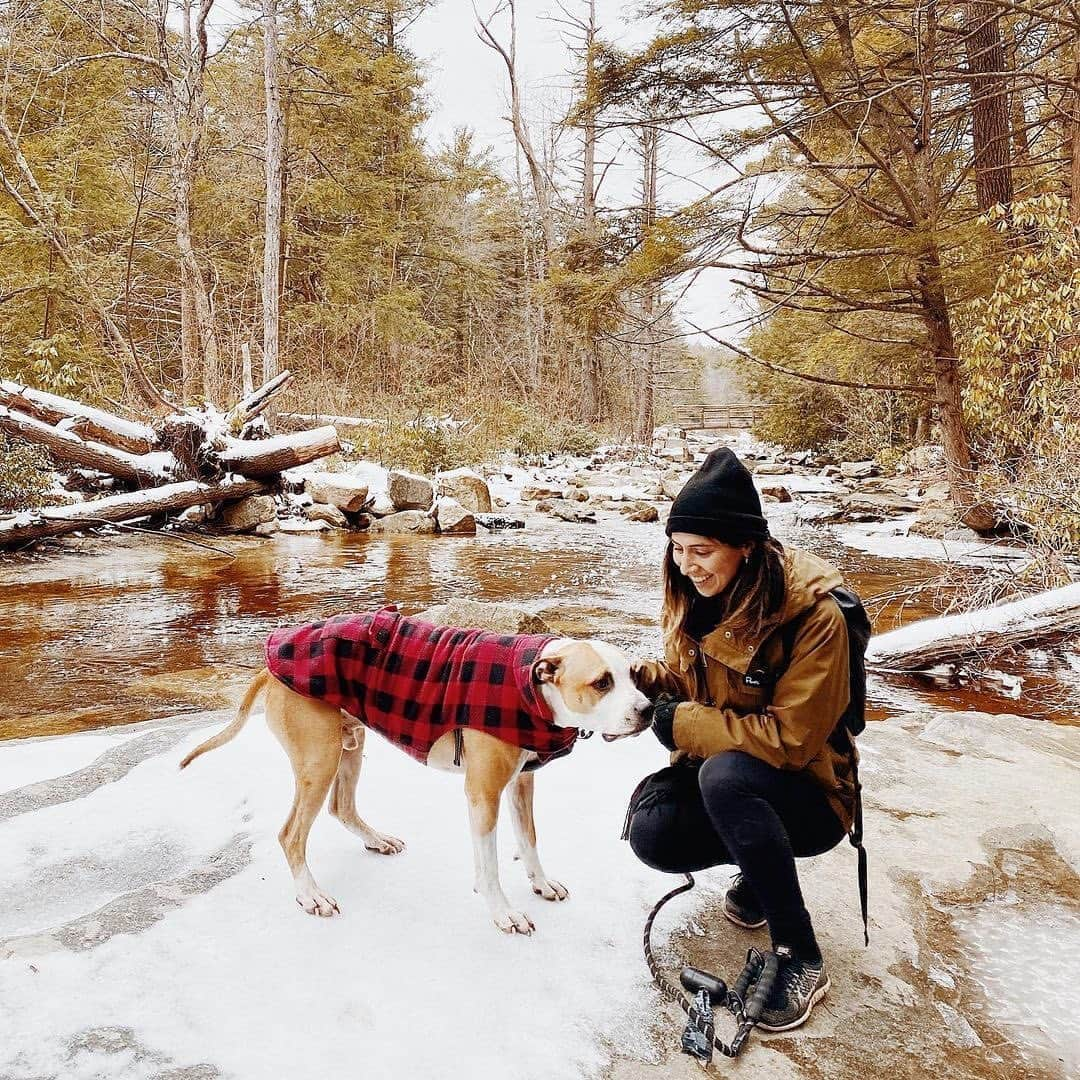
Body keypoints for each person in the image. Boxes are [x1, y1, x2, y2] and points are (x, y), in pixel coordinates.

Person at [627, 447, 857, 1032]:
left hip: (813, 795)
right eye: (677, 549)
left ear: (746, 546)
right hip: (746, 778)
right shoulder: (696, 596)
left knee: (724, 777)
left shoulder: (815, 617)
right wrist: (648, 681)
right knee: (652, 828)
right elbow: (698, 681)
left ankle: (800, 957)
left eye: (701, 551)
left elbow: (790, 741)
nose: (686, 565)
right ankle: (760, 870)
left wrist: (678, 724)